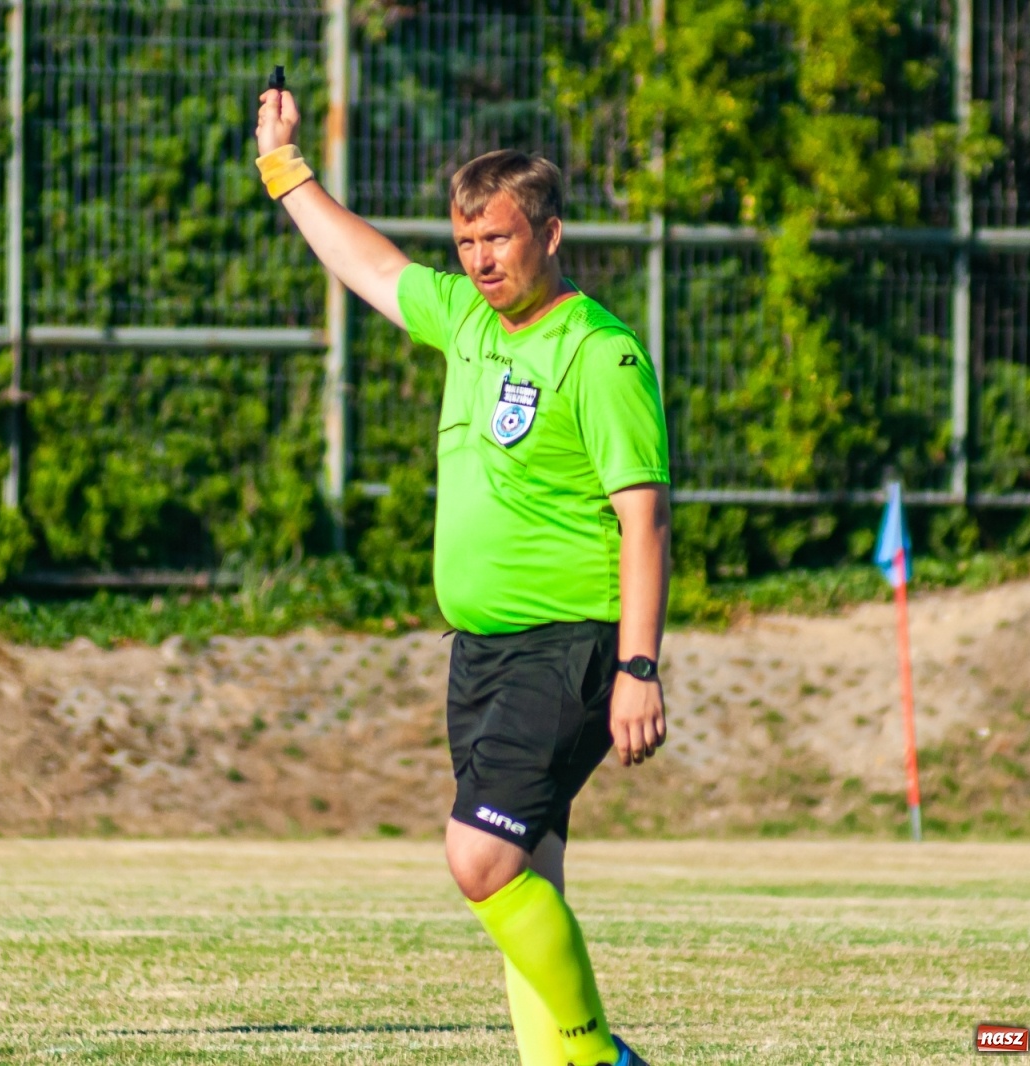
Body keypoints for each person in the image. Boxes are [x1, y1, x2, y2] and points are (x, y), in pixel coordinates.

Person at [255, 91, 671, 1066]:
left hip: (565, 642)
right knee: (531, 872)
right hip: (478, 652)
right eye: (466, 240)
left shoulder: (597, 352)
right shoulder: (468, 325)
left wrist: (639, 668)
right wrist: (282, 166)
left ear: (551, 234)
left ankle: (597, 1057)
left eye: (498, 238)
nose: (479, 260)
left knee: (478, 859)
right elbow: (369, 261)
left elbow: (643, 519)